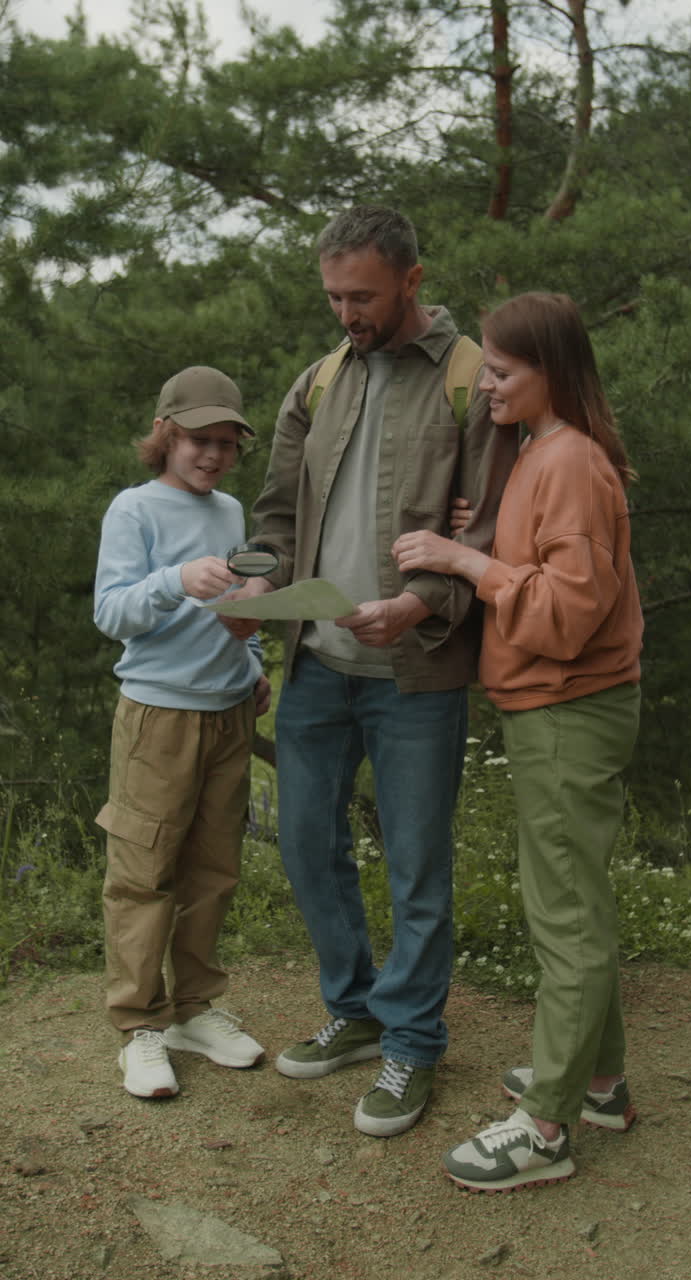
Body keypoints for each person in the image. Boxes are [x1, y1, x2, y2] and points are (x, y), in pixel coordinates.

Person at [228, 205, 518, 1137]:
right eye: (334, 296)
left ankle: (413, 1044)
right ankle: (354, 1011)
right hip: (317, 661)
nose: (346, 312)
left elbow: (492, 530)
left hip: (419, 671)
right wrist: (250, 581)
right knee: (310, 849)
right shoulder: (317, 382)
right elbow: (275, 516)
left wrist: (423, 602)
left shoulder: (472, 380)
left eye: (362, 295)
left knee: (416, 871)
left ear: (411, 281)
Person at [393, 291, 643, 1189]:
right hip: (555, 709)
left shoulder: (570, 460)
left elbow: (569, 615)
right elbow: (546, 568)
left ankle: (545, 1130)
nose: (485, 385)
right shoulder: (543, 453)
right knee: (572, 899)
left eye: (501, 371)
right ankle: (600, 1083)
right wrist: (485, 537)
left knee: (566, 916)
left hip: (571, 707)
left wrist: (464, 560)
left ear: (553, 373)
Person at [94, 365, 271, 1100]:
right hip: (158, 715)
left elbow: (245, 601)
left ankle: (195, 1007)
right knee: (145, 870)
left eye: (227, 442)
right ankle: (140, 1026)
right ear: (166, 434)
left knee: (214, 867)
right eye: (200, 439)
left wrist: (254, 659)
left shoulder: (231, 511)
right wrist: (172, 581)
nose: (214, 456)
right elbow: (111, 614)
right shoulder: (135, 511)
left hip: (228, 712)